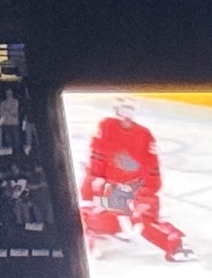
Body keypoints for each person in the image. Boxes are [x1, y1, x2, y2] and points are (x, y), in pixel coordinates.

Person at [78, 98, 191, 261]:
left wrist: (146, 194)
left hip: (135, 190)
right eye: (122, 110)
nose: (126, 115)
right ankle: (95, 235)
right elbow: (96, 160)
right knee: (93, 216)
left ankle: (175, 245)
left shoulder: (144, 135)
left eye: (129, 110)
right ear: (116, 111)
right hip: (110, 190)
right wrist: (93, 189)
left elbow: (152, 169)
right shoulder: (106, 127)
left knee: (142, 217)